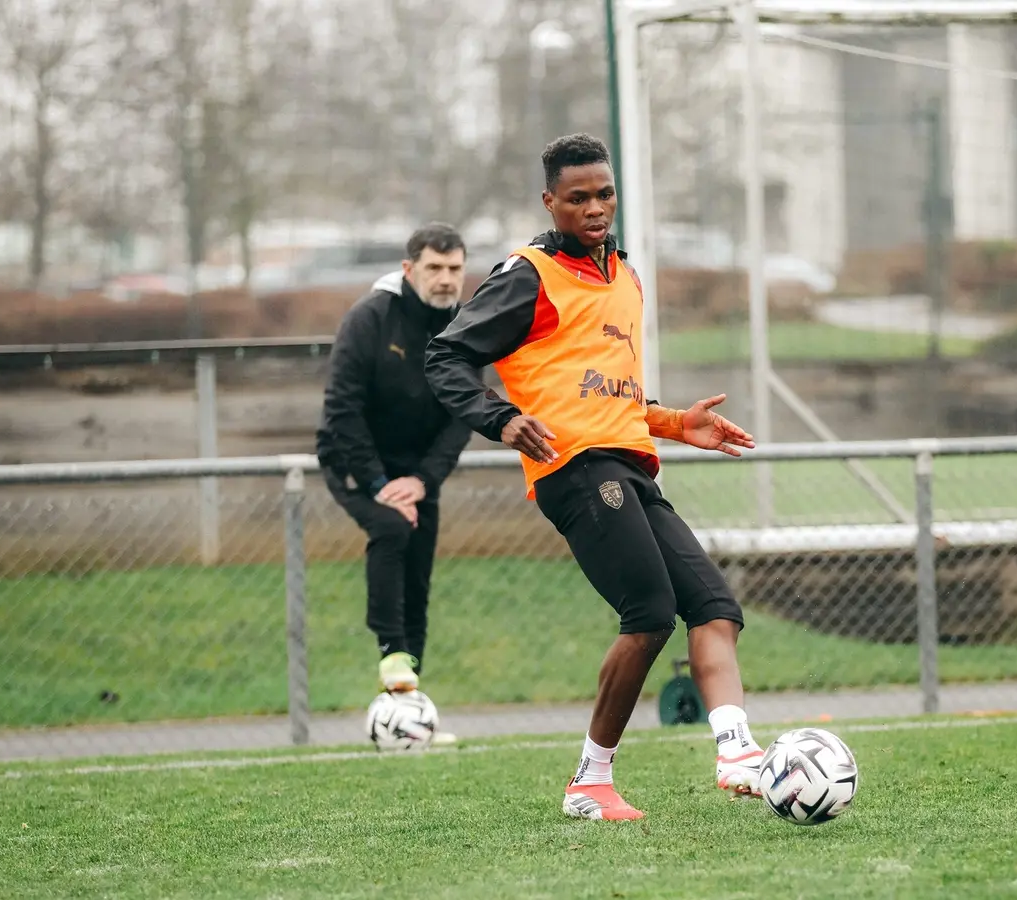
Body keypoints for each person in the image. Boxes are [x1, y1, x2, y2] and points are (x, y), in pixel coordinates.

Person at [426, 133, 763, 821]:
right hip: (574, 469)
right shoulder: (528, 275)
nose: (594, 207)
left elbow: (607, 395)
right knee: (648, 613)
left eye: (604, 194)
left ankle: (737, 752)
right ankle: (590, 782)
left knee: (715, 607)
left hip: (628, 464)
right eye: (577, 198)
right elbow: (445, 358)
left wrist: (673, 424)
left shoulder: (625, 277)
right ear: (550, 203)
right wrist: (500, 419)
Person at [316, 223, 474, 719]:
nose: (445, 278)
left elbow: (464, 413)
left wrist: (422, 481)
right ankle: (391, 654)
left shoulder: (466, 327)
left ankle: (408, 710)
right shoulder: (369, 319)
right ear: (409, 270)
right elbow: (342, 409)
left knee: (419, 575)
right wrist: (381, 485)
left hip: (416, 472)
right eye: (434, 268)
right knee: (391, 527)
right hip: (354, 460)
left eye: (454, 268)